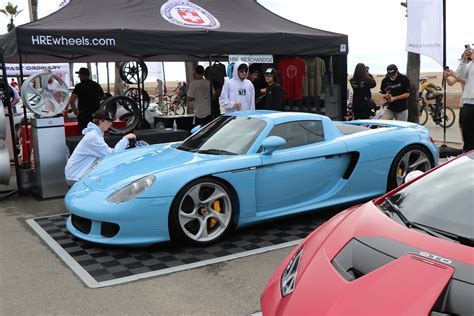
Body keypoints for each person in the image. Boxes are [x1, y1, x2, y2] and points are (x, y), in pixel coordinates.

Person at [64, 109, 136, 186]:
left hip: (76, 174)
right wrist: (125, 139)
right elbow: (112, 155)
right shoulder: (93, 137)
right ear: (101, 121)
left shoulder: (95, 134)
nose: (111, 123)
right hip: (76, 177)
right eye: (108, 121)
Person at [445, 47, 474, 152]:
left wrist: (454, 75)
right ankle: (465, 145)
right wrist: (448, 76)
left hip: (470, 99)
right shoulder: (465, 66)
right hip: (465, 101)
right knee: (462, 125)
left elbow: (465, 81)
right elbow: (452, 81)